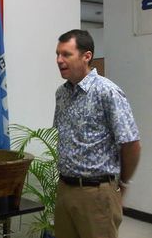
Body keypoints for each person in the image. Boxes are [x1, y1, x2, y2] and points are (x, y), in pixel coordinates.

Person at [53, 29, 141, 238]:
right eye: (57, 54)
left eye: (66, 54)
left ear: (87, 56)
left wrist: (123, 183)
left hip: (96, 193)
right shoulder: (61, 94)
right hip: (65, 189)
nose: (59, 60)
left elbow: (131, 143)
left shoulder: (107, 92)